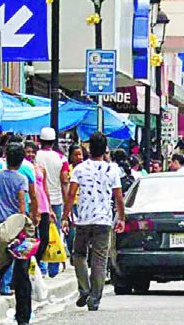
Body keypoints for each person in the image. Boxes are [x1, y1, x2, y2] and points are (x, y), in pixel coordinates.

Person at [61, 133, 125, 311]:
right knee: (99, 259)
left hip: (83, 219)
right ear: (105, 150)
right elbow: (118, 197)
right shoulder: (112, 169)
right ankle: (94, 298)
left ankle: (84, 288)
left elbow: (71, 194)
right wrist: (121, 217)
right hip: (103, 220)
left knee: (78, 255)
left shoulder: (80, 169)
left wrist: (65, 216)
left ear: (88, 149)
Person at [0, 143, 32, 325]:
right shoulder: (21, 179)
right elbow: (21, 202)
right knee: (22, 273)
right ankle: (23, 317)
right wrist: (24, 221)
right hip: (15, 228)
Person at [36, 128, 69, 277]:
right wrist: (68, 205)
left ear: (39, 140)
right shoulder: (61, 158)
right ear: (54, 141)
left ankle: (40, 265)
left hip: (38, 200)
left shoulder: (35, 156)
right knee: (55, 234)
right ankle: (53, 268)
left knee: (37, 234)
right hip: (56, 201)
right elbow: (64, 182)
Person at [23, 142, 52, 270]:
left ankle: (37, 260)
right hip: (30, 204)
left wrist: (50, 209)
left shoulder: (40, 168)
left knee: (45, 237)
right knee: (31, 236)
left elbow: (45, 188)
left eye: (33, 152)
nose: (30, 154)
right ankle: (30, 263)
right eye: (28, 151)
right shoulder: (23, 167)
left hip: (43, 204)